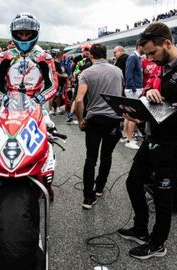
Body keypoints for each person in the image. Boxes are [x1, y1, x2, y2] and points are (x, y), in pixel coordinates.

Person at [118, 22, 177, 260]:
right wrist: (144, 101)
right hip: (154, 137)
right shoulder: (165, 66)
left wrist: (160, 102)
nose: (150, 59)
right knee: (133, 182)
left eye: (152, 53)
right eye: (145, 54)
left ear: (167, 43)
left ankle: (158, 244)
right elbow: (158, 97)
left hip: (173, 143)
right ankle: (140, 229)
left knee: (162, 193)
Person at [74, 43, 124, 209]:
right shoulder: (118, 71)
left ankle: (88, 198)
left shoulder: (87, 73)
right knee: (107, 155)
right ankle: (100, 187)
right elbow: (120, 94)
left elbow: (79, 100)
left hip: (95, 119)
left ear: (91, 56)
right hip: (114, 119)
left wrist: (80, 120)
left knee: (91, 157)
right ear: (106, 53)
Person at [0, 12, 58, 127]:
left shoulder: (44, 58)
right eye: (20, 34)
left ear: (35, 33)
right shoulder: (4, 56)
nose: (24, 37)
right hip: (8, 104)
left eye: (28, 34)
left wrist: (38, 100)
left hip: (35, 104)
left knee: (50, 130)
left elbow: (52, 85)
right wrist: (4, 98)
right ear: (14, 34)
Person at [122, 42, 144, 150]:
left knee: (129, 113)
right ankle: (130, 140)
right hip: (133, 89)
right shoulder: (133, 57)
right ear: (139, 46)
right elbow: (128, 73)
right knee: (133, 114)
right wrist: (133, 87)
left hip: (134, 88)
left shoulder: (137, 58)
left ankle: (126, 136)